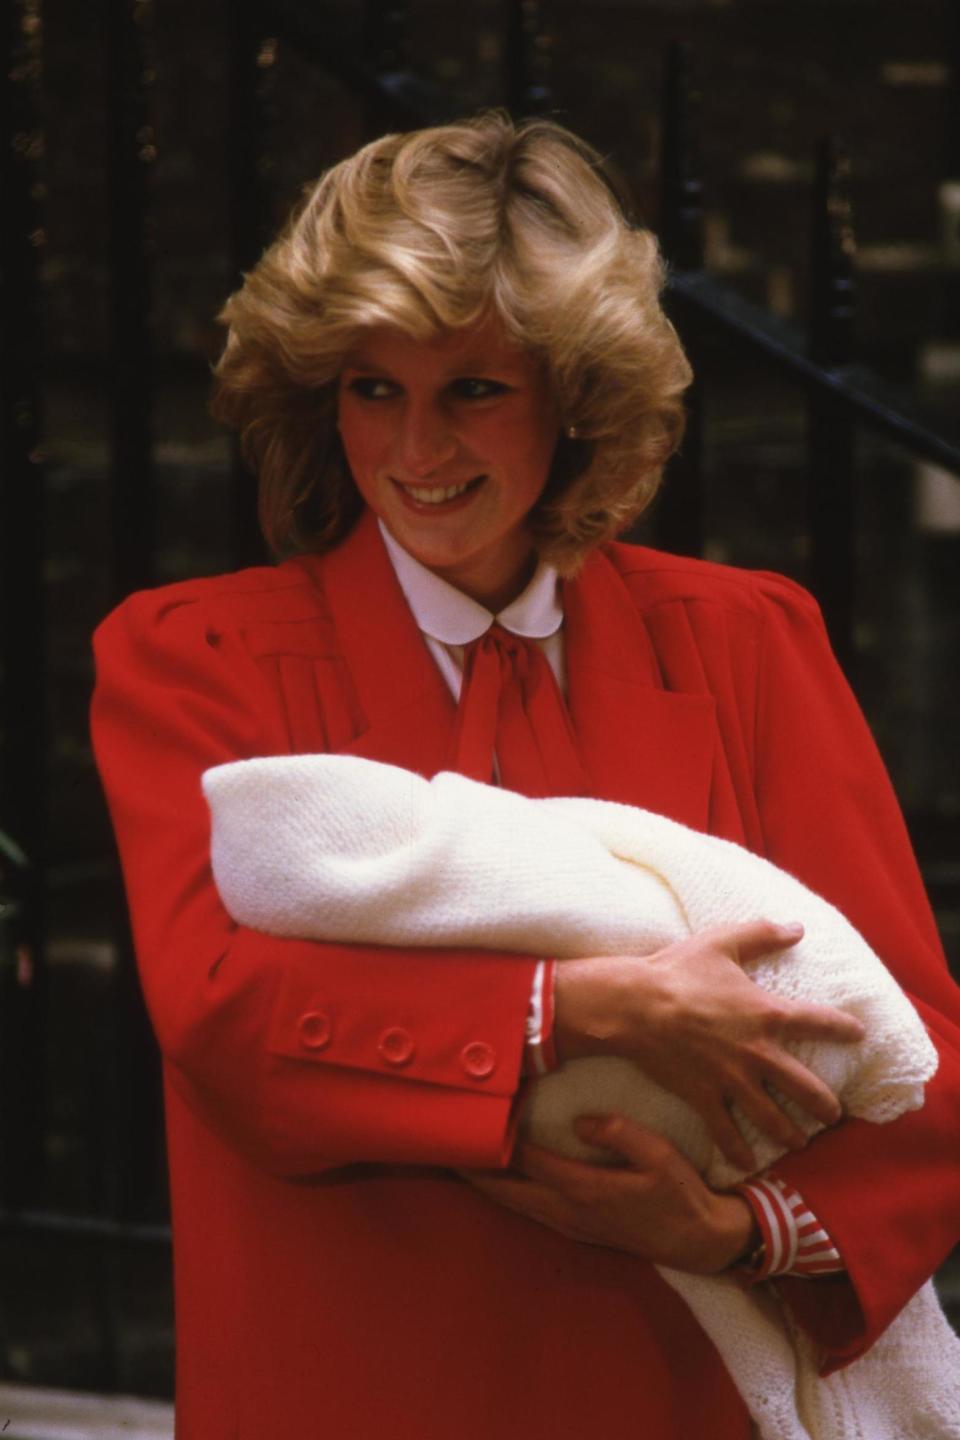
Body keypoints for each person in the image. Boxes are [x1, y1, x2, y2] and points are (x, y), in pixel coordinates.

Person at [91, 112, 960, 1439]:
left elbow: (915, 1047)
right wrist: (580, 1010)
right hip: (345, 1388)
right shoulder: (191, 657)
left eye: (474, 390)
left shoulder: (748, 640)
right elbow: (225, 1018)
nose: (417, 449)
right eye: (372, 388)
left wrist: (739, 1232)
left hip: (677, 1395)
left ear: (579, 396)